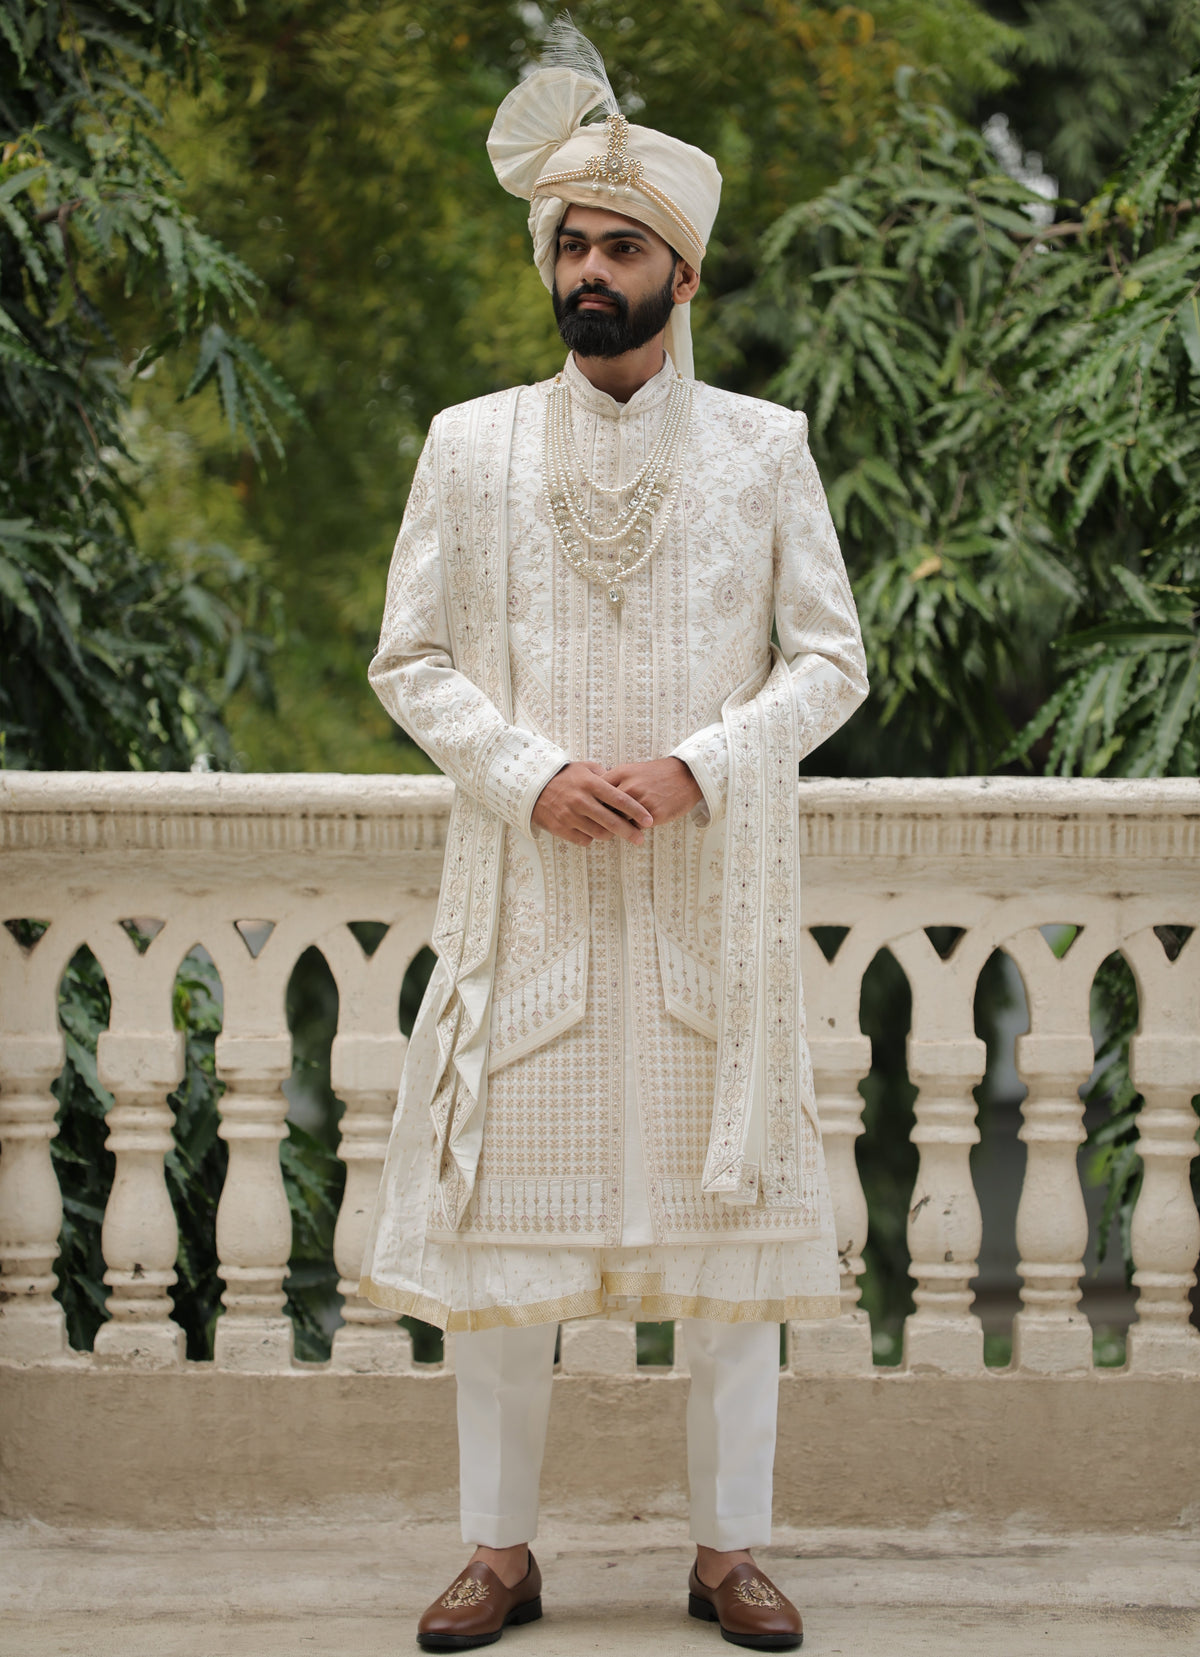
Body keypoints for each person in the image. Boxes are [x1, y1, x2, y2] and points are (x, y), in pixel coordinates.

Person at [359, 23, 868, 1653]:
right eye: (570, 243)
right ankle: (499, 1550)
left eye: (620, 244)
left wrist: (708, 764)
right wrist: (530, 771)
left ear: (683, 273)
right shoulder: (472, 445)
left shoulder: (764, 449)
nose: (589, 268)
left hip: (710, 900)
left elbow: (835, 659)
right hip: (536, 905)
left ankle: (729, 1553)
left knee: (732, 1268)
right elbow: (411, 658)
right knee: (507, 1257)